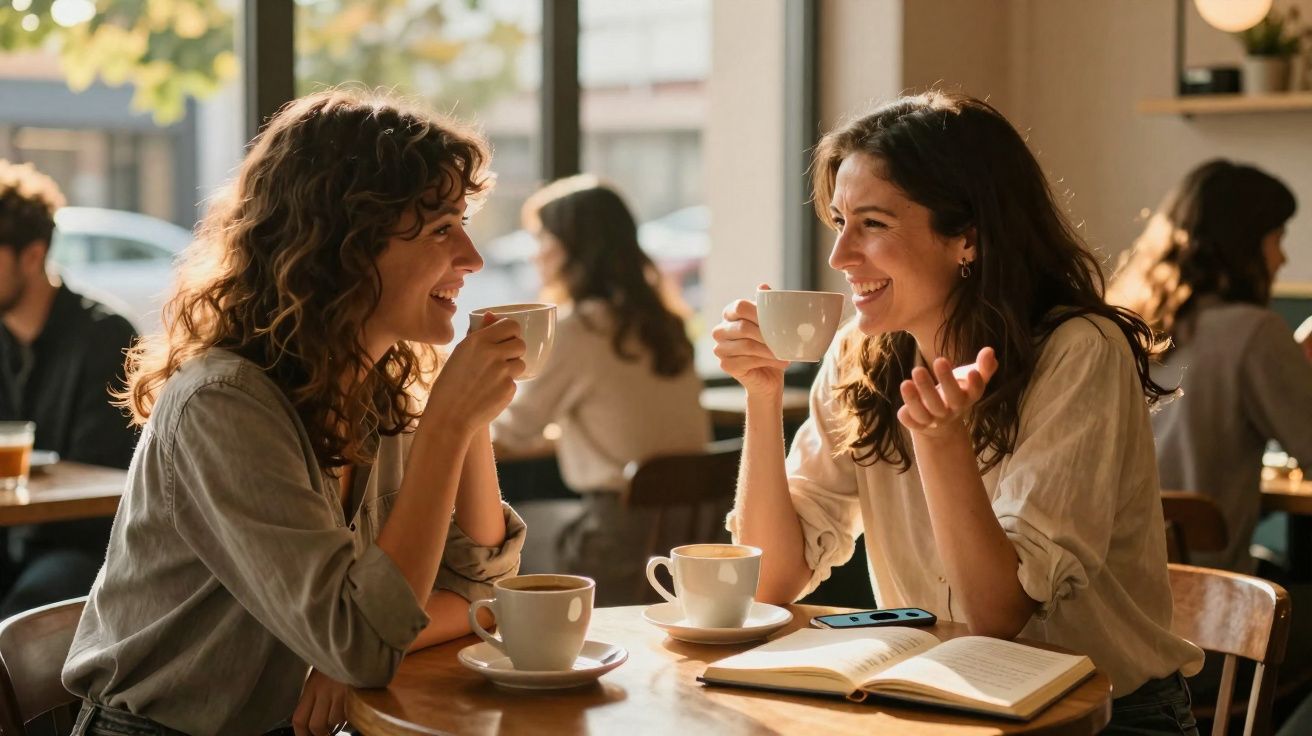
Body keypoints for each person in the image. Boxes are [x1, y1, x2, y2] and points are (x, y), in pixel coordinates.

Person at [712, 91, 1203, 735]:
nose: (840, 257)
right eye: (839, 222)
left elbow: (999, 616)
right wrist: (763, 393)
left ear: (966, 237)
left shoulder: (1079, 351)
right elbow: (768, 582)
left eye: (874, 225)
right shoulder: (862, 352)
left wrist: (941, 442)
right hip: (939, 706)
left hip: (1102, 716)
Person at [62, 90, 527, 736]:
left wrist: (468, 418)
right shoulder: (222, 405)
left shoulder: (377, 391)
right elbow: (365, 639)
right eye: (443, 227)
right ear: (347, 246)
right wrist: (448, 421)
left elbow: (482, 595)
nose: (473, 258)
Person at [492, 175, 709, 604]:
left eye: (542, 239)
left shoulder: (578, 329)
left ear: (573, 248)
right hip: (686, 541)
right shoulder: (667, 323)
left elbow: (511, 433)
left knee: (490, 539)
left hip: (617, 542)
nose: (535, 254)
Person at [1107, 159, 1312, 574]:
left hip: (1115, 583)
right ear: (1245, 244)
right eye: (1277, 238)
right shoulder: (1255, 333)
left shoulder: (1129, 326)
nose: (1283, 257)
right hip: (1202, 602)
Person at [0, 160, 137, 618]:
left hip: (83, 546)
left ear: (33, 256)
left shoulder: (107, 337)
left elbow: (102, 475)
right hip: (10, 539)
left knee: (22, 612)